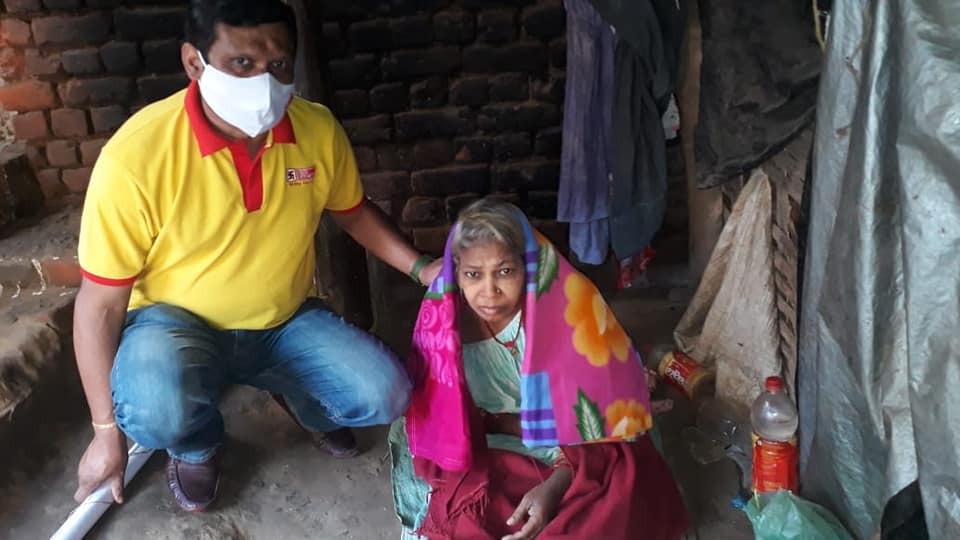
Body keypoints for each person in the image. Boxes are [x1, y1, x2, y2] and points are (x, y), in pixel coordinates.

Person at [72, 0, 441, 513]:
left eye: (279, 64)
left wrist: (422, 267)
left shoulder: (315, 129)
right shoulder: (136, 156)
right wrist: (104, 432)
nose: (264, 84)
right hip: (175, 327)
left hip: (282, 320)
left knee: (385, 394)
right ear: (194, 62)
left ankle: (301, 399)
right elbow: (100, 304)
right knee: (155, 410)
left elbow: (354, 212)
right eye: (242, 63)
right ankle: (196, 443)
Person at [390, 199, 688, 540]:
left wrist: (558, 481)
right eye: (473, 274)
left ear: (529, 264)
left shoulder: (569, 309)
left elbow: (595, 418)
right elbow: (449, 423)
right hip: (495, 445)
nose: (489, 291)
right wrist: (502, 426)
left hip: (575, 445)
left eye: (505, 271)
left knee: (623, 483)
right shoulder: (442, 328)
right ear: (456, 270)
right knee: (470, 505)